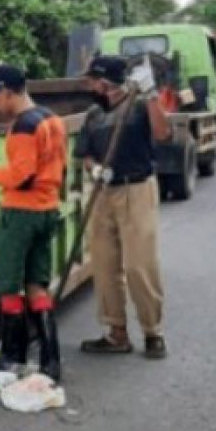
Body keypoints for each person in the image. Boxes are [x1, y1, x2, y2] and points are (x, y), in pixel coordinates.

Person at [0, 64, 67, 380]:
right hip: (47, 210)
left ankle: (11, 358)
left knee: (7, 285)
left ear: (4, 91)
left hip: (20, 214)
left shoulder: (22, 127)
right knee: (36, 284)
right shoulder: (52, 119)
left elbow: (20, 177)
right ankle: (51, 361)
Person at [76, 54, 171, 359]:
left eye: (92, 80)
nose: (89, 85)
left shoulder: (140, 106)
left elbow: (162, 133)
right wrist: (94, 169)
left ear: (104, 82)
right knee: (104, 266)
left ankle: (152, 331)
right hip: (104, 192)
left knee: (138, 265)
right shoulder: (93, 115)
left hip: (137, 189)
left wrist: (152, 94)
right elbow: (85, 154)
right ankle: (116, 332)